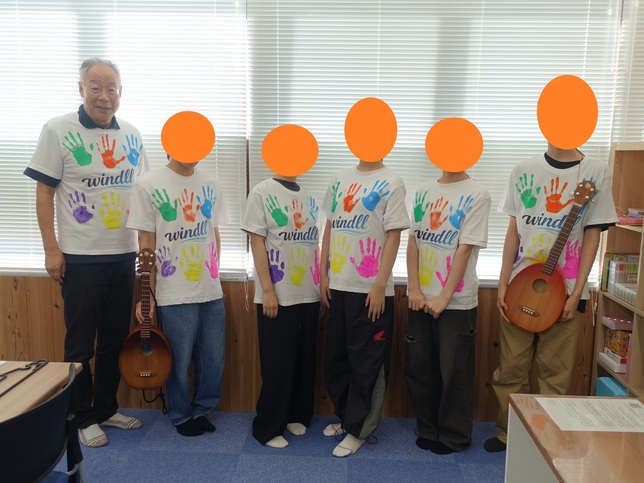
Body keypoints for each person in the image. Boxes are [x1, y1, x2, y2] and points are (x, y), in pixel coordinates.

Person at [24, 58, 146, 447]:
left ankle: (107, 409)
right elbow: (44, 192)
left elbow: (144, 195)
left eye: (111, 88)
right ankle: (81, 416)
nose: (104, 96)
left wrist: (147, 249)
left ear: (121, 93)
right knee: (80, 346)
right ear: (81, 89)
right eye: (95, 87)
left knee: (114, 341)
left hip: (123, 255)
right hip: (79, 257)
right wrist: (51, 249)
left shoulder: (132, 135)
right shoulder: (58, 130)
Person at [485, 143, 617, 452]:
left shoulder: (596, 171)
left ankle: (544, 438)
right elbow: (513, 232)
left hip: (566, 291)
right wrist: (503, 283)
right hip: (520, 286)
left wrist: (577, 293)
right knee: (510, 369)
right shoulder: (522, 171)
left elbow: (592, 236)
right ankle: (509, 433)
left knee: (555, 374)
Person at [127, 153, 228, 437]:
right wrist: (147, 293)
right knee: (178, 360)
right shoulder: (148, 184)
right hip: (173, 290)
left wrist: (214, 274)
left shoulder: (211, 184)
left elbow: (214, 233)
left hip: (209, 289)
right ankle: (180, 414)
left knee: (213, 359)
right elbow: (146, 242)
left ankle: (204, 409)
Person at [320, 157, 410, 457]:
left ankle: (360, 429)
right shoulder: (339, 179)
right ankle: (346, 418)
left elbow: (394, 236)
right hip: (339, 285)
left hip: (371, 291)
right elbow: (329, 227)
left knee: (367, 362)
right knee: (337, 359)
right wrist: (323, 274)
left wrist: (380, 285)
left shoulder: (392, 182)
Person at [405, 169, 491, 454]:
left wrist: (444, 296)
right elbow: (413, 241)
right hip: (420, 298)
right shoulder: (423, 191)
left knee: (455, 371)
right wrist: (414, 288)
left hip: (456, 301)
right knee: (419, 367)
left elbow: (464, 249)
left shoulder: (477, 194)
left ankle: (455, 436)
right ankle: (427, 428)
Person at [241, 173, 321, 449]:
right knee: (277, 363)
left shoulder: (309, 197)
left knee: (304, 359)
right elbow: (256, 242)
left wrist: (319, 286)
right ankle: (267, 426)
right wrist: (267, 289)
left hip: (308, 291)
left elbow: (313, 245)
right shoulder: (262, 192)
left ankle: (296, 414)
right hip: (277, 292)